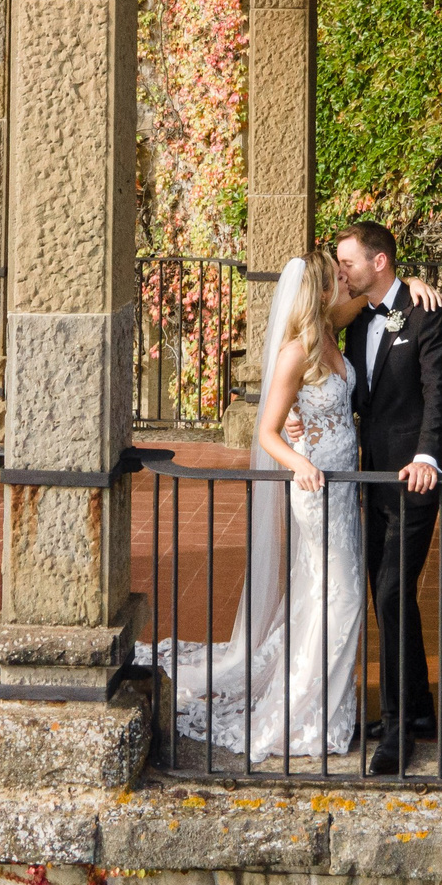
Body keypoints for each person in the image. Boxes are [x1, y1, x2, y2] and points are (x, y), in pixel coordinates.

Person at [141, 254, 365, 761]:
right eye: (338, 277)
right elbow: (267, 428)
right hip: (315, 487)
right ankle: (298, 714)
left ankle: (326, 710)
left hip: (346, 488)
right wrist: (297, 462)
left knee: (321, 596)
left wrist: (412, 282)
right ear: (319, 290)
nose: (345, 281)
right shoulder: (294, 353)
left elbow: (369, 299)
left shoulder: (331, 335)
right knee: (344, 597)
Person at [334, 218, 442, 775]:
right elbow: (357, 396)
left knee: (389, 593)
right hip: (374, 478)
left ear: (379, 261)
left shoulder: (425, 310)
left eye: (349, 262)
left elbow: (440, 386)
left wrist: (429, 455)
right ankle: (420, 712)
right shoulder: (356, 322)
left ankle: (396, 730)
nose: (343, 270)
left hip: (416, 477)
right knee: (390, 594)